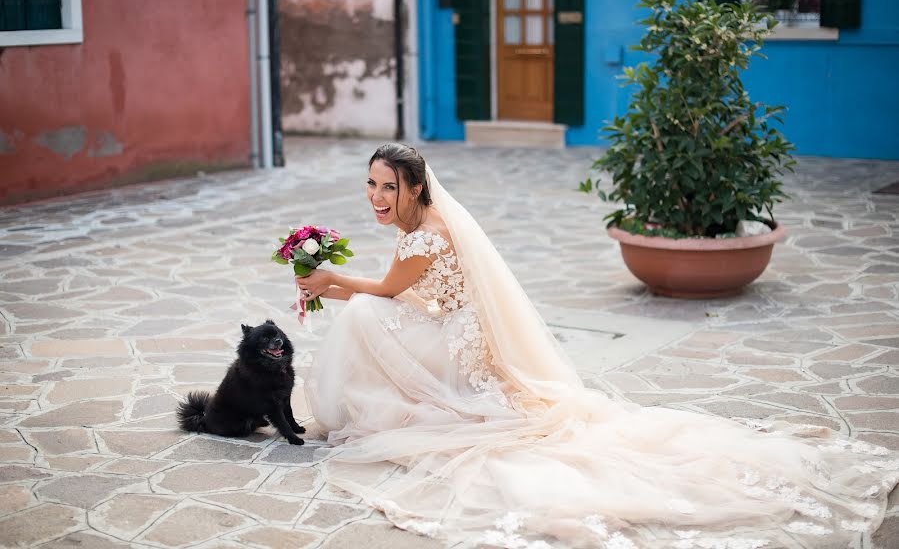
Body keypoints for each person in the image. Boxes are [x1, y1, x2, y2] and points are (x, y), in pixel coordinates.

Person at [295, 143, 898, 548]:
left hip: (458, 351)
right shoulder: (424, 224)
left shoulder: (425, 235)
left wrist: (330, 281)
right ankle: (383, 404)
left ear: (417, 187)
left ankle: (370, 409)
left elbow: (385, 291)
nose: (375, 196)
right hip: (457, 337)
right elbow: (409, 297)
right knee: (372, 314)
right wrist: (336, 283)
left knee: (366, 314)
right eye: (369, 184)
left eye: (386, 186)